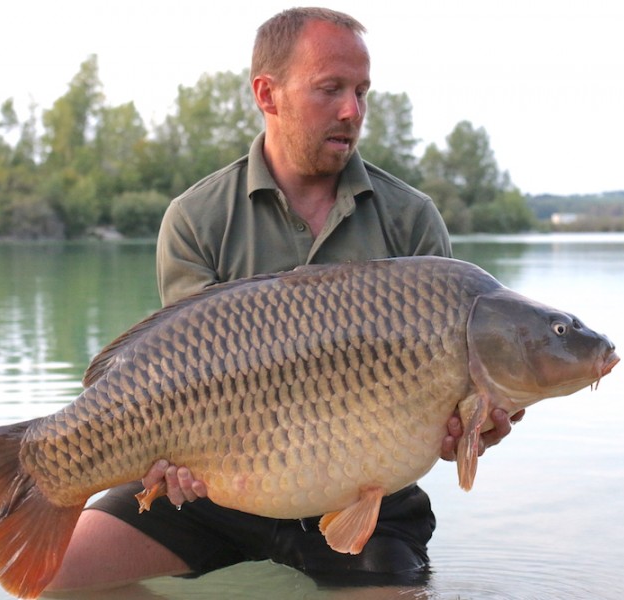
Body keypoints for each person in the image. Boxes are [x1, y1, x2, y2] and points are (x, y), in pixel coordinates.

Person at [47, 7, 522, 592]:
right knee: (57, 578)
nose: (353, 110)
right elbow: (180, 379)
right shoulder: (196, 219)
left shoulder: (412, 222)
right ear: (267, 94)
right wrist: (167, 461)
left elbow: (449, 423)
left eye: (361, 91)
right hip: (219, 488)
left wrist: (474, 427)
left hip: (367, 501)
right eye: (330, 89)